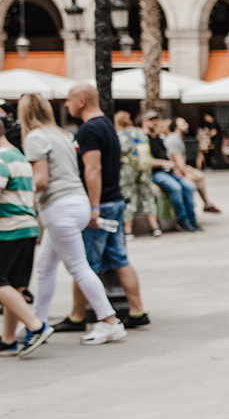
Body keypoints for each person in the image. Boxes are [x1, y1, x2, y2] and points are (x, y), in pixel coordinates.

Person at [16, 94, 124, 346]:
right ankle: (39, 322)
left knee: (77, 266)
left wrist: (19, 192)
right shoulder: (61, 134)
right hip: (77, 202)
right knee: (46, 266)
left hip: (59, 206)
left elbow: (41, 179)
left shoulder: (35, 137)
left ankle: (110, 321)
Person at [58, 85, 148, 331]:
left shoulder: (89, 130)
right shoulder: (107, 125)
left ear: (81, 101)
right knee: (119, 258)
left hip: (101, 203)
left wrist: (93, 207)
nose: (66, 105)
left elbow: (93, 168)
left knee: (83, 263)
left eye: (68, 100)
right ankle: (137, 309)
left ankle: (77, 315)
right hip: (115, 200)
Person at [0, 103, 51, 357]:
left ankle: (36, 325)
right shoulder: (18, 156)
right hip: (28, 227)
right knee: (15, 285)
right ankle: (8, 339)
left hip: (8, 229)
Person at [145, 116, 201, 231]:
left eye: (156, 120)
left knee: (188, 188)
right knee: (176, 188)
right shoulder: (145, 140)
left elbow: (168, 155)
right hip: (157, 173)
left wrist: (174, 167)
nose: (155, 123)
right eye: (152, 121)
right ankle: (183, 220)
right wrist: (165, 163)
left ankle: (192, 220)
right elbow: (147, 161)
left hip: (168, 171)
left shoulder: (160, 139)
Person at [114, 111, 161, 237]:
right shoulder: (140, 133)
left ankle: (128, 230)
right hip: (144, 170)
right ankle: (155, 227)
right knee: (148, 196)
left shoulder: (119, 136)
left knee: (129, 198)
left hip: (128, 171)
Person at [169, 118, 220, 212]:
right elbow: (178, 162)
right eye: (183, 123)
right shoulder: (173, 139)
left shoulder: (178, 138)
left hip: (179, 166)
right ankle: (191, 211)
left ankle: (206, 204)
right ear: (176, 126)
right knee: (191, 182)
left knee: (199, 176)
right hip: (174, 169)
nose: (186, 124)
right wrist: (187, 174)